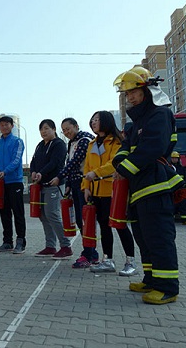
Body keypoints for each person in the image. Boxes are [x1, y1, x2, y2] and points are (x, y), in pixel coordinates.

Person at [112, 66, 183, 304]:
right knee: (144, 237)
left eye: (134, 92)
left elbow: (152, 148)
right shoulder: (135, 123)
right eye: (127, 94)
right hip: (139, 188)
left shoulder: (159, 115)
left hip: (155, 185)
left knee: (159, 237)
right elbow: (124, 149)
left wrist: (124, 168)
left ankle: (167, 287)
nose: (130, 97)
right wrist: (121, 163)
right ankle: (152, 279)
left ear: (148, 90)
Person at [74, 111, 137, 276]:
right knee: (104, 227)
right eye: (92, 120)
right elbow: (86, 167)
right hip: (96, 191)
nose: (93, 122)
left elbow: (114, 163)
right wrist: (86, 186)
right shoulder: (92, 143)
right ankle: (107, 260)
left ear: (106, 122)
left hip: (113, 191)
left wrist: (96, 173)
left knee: (120, 225)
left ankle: (131, 261)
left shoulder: (116, 142)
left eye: (97, 120)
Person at [30, 119, 72, 259]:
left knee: (52, 213)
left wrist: (41, 172)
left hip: (55, 184)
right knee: (43, 215)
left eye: (46, 128)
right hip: (42, 185)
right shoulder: (40, 145)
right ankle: (50, 246)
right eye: (41, 129)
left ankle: (66, 246)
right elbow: (33, 161)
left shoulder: (59, 145)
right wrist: (33, 172)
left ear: (54, 129)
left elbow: (55, 162)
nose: (43, 131)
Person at [50, 118, 94, 232]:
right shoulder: (72, 142)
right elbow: (69, 162)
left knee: (86, 218)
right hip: (75, 183)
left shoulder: (85, 139)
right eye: (64, 130)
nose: (66, 132)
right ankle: (87, 248)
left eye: (68, 129)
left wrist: (59, 177)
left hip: (85, 182)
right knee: (79, 218)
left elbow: (75, 162)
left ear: (76, 126)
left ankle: (90, 249)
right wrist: (68, 184)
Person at [0, 116, 27, 254]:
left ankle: (21, 242)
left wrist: (5, 171)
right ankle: (7, 241)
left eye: (7, 124)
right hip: (2, 184)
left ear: (12, 126)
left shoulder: (17, 141)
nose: (4, 127)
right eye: (1, 125)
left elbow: (16, 160)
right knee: (4, 213)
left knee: (18, 213)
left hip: (15, 182)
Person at [170, 151, 186, 225]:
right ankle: (171, 220)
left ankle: (184, 220)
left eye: (176, 158)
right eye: (173, 158)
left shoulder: (182, 169)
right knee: (172, 206)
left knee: (183, 205)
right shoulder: (169, 168)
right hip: (173, 190)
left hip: (181, 190)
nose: (174, 160)